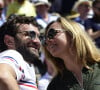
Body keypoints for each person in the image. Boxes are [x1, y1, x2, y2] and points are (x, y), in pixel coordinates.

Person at [42, 16, 100, 90]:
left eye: (52, 33)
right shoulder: (55, 86)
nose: (47, 41)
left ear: (72, 34)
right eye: (44, 39)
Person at [0, 15, 41, 90]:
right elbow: (2, 76)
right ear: (9, 41)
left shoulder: (24, 64)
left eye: (39, 37)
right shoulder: (12, 54)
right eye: (30, 35)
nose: (37, 41)